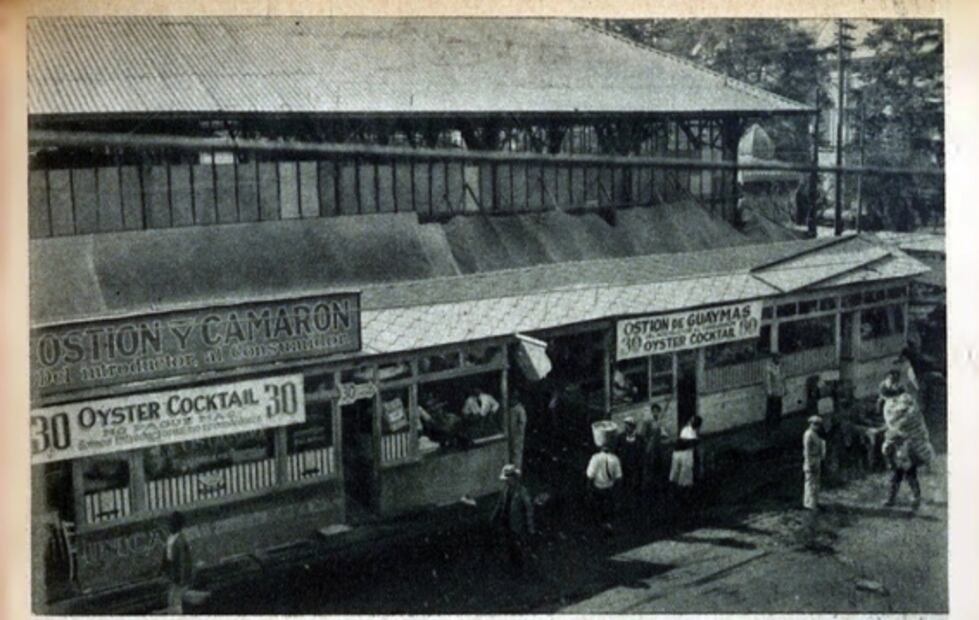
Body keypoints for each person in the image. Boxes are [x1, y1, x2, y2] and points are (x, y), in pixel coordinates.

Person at [882, 392, 934, 509]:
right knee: (898, 475)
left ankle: (914, 498)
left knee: (908, 474)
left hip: (910, 450)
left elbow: (902, 430)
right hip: (902, 451)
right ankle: (893, 498)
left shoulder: (910, 417)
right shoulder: (898, 416)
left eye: (903, 410)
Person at [490, 464, 535, 573]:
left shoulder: (522, 491)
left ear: (514, 478)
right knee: (509, 545)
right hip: (506, 522)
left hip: (517, 524)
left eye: (508, 479)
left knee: (520, 546)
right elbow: (500, 503)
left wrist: (530, 527)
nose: (506, 481)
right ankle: (513, 566)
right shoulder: (506, 490)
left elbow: (529, 509)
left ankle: (524, 568)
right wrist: (494, 516)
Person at [160, 511, 193, 614]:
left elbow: (183, 561)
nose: (168, 526)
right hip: (173, 572)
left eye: (170, 523)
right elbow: (166, 555)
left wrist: (182, 579)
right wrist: (162, 570)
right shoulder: (170, 538)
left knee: (174, 600)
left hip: (178, 575)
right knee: (172, 599)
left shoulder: (180, 540)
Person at [586, 444, 622, 532]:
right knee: (608, 508)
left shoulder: (595, 458)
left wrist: (589, 490)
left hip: (597, 487)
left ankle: (599, 526)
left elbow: (590, 476)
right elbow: (619, 477)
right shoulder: (615, 459)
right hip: (609, 488)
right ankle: (608, 525)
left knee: (598, 508)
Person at [669, 416, 703, 509]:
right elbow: (688, 442)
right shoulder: (688, 432)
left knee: (680, 476)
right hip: (684, 454)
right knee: (683, 478)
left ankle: (681, 498)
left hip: (680, 453)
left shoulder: (688, 431)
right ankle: (682, 499)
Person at [615, 417, 646, 505]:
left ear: (633, 427)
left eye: (628, 425)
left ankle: (637, 500)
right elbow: (616, 450)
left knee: (637, 482)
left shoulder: (640, 438)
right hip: (624, 464)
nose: (626, 427)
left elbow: (643, 451)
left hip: (637, 464)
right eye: (625, 425)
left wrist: (641, 462)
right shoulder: (621, 437)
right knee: (625, 482)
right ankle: (625, 500)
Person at [640, 403, 668, 497]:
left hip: (658, 447)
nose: (656, 413)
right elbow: (643, 435)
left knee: (659, 465)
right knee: (649, 466)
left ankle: (658, 486)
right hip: (650, 447)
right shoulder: (648, 422)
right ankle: (647, 488)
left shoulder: (659, 422)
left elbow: (661, 433)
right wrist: (648, 444)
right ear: (652, 412)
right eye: (654, 411)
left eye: (658, 411)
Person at [803, 416, 827, 510]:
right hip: (811, 460)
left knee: (815, 483)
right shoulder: (808, 434)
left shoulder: (815, 434)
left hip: (816, 459)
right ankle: (809, 504)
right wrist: (809, 463)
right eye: (815, 424)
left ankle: (814, 502)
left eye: (818, 424)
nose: (817, 426)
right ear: (811, 424)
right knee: (810, 483)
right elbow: (807, 451)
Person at [764, 354, 785, 431]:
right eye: (778, 358)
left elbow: (783, 379)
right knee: (771, 409)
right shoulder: (769, 368)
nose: (779, 360)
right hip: (772, 392)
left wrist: (784, 389)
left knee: (779, 407)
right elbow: (767, 381)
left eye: (780, 358)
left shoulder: (781, 367)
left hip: (779, 391)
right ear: (774, 359)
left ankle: (777, 424)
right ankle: (769, 426)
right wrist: (769, 392)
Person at [510, 393, 528, 471]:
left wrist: (518, 434)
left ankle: (517, 472)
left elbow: (522, 423)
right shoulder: (511, 409)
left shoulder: (520, 409)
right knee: (512, 454)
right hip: (511, 435)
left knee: (517, 454)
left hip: (517, 435)